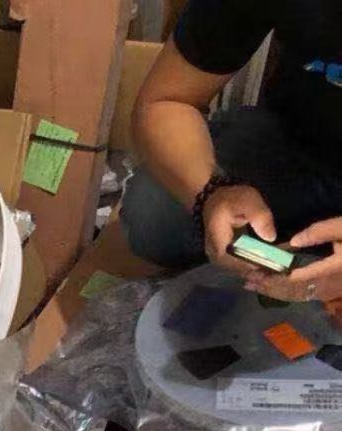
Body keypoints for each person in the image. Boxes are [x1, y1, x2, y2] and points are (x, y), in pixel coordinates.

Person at [124, 1, 342, 306]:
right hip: (296, 145)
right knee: (157, 213)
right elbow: (167, 100)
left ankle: (312, 257)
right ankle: (302, 255)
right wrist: (211, 194)